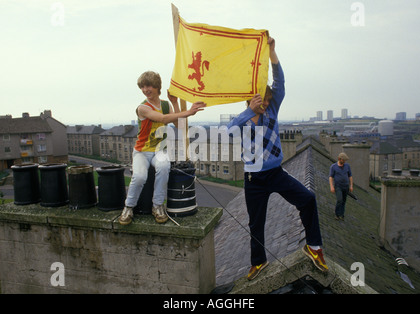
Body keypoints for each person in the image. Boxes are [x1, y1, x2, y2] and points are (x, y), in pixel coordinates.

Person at [227, 37, 328, 280]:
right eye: (263, 103)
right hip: (253, 179)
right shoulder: (242, 118)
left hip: (275, 174)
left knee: (308, 199)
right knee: (256, 223)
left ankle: (314, 247)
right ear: (252, 101)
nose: (267, 106)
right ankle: (258, 262)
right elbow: (228, 131)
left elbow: (280, 82)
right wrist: (249, 112)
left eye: (269, 102)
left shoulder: (272, 110)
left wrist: (273, 52)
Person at [119, 71, 206, 225]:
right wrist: (190, 112)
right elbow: (163, 119)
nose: (146, 90)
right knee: (139, 177)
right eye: (143, 87)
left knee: (164, 167)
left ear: (157, 87)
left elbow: (180, 125)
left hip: (159, 150)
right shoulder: (142, 108)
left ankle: (157, 205)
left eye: (149, 86)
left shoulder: (165, 105)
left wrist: (174, 103)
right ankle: (128, 207)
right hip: (142, 151)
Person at [329, 152, 353, 220]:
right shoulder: (333, 167)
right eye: (343, 160)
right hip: (338, 186)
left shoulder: (347, 166)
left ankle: (342, 215)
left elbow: (350, 176)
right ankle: (337, 214)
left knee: (344, 201)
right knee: (339, 200)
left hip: (346, 186)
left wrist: (351, 186)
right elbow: (331, 177)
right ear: (339, 159)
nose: (344, 161)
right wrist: (331, 186)